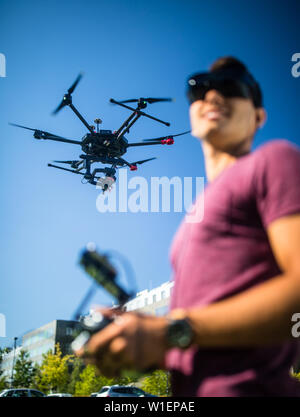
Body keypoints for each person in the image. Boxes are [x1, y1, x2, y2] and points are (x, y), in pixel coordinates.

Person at [76, 56, 300, 397]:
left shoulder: (274, 161)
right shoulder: (191, 220)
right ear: (192, 114)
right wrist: (135, 340)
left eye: (231, 87)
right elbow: (201, 336)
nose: (212, 96)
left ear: (258, 117)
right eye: (199, 89)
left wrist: (170, 332)